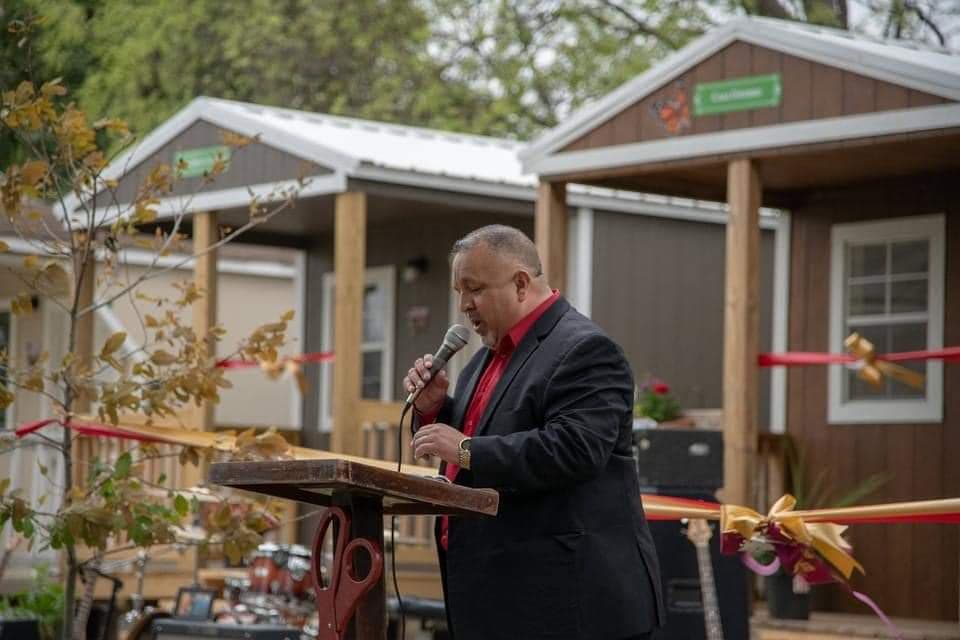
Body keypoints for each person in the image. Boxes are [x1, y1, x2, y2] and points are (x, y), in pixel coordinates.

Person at [405, 225, 663, 640]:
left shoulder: (585, 349)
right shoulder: (482, 361)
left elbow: (576, 449)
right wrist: (434, 408)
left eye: (474, 289)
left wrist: (466, 449)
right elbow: (484, 436)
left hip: (568, 606)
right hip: (498, 598)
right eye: (459, 291)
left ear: (521, 283)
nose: (464, 305)